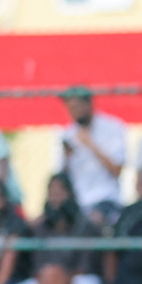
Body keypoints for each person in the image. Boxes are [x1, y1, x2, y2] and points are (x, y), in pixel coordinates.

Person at [58, 87, 128, 227]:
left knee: (90, 224)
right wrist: (67, 158)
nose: (73, 112)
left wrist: (90, 144)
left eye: (76, 107)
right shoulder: (68, 134)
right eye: (70, 108)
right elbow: (62, 178)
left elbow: (117, 170)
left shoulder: (112, 128)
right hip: (78, 203)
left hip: (106, 200)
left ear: (88, 104)